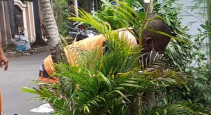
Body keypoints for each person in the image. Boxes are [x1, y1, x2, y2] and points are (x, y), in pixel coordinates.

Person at [39, 18, 172, 83]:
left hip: (61, 70)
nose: (160, 54)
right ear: (148, 42)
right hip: (54, 70)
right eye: (160, 49)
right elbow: (114, 79)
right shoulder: (127, 42)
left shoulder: (134, 39)